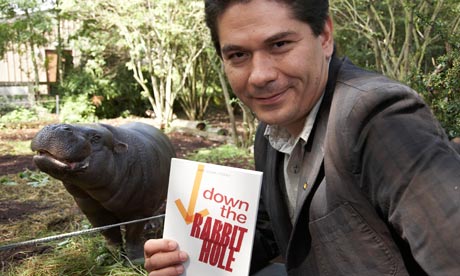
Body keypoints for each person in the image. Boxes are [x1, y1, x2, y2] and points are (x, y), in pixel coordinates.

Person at [144, 0, 460, 275]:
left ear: (324, 35)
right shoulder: (269, 135)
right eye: (239, 55)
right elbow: (272, 229)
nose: (260, 75)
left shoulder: (378, 120)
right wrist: (190, 257)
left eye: (279, 45)